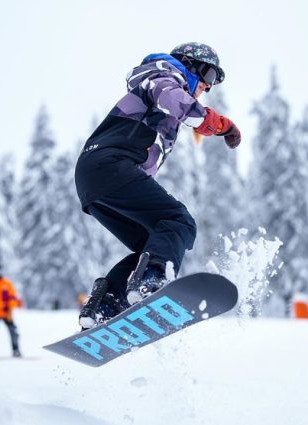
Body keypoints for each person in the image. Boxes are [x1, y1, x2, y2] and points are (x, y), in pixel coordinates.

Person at [75, 42, 242, 329]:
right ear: (191, 65)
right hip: (112, 167)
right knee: (180, 222)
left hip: (96, 179)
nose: (207, 87)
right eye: (210, 77)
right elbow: (174, 99)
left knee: (154, 241)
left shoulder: (159, 87)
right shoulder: (163, 73)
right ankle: (152, 281)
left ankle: (104, 305)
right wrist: (219, 124)